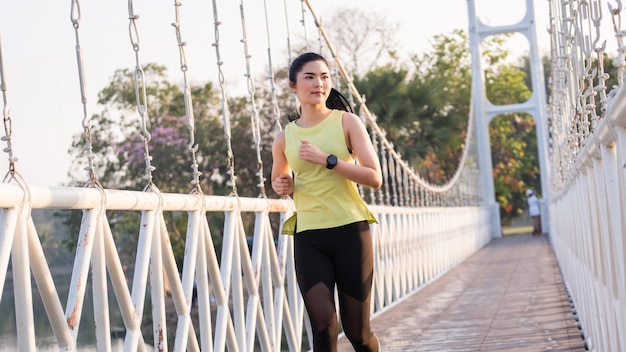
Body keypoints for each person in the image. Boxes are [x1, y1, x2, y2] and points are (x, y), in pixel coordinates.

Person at [271, 52, 382, 352]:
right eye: (310, 77)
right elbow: (279, 181)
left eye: (325, 77)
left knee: (358, 333)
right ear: (294, 86)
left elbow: (374, 177)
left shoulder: (348, 122)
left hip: (351, 232)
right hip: (309, 237)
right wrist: (284, 184)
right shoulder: (284, 138)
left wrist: (328, 160)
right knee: (323, 328)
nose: (319, 83)